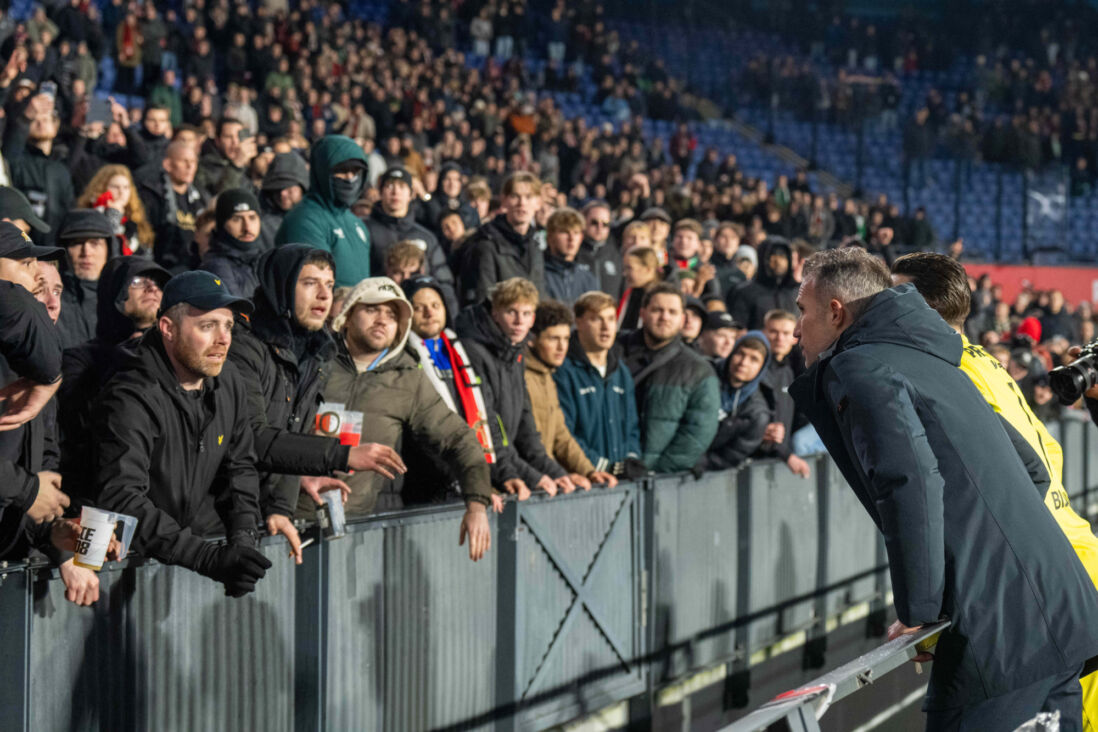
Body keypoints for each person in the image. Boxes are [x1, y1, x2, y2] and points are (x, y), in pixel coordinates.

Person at [789, 247, 1098, 730]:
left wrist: (921, 612)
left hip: (1001, 647)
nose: (794, 329)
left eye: (802, 311)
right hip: (1064, 617)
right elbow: (1033, 471)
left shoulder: (862, 365)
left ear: (835, 312)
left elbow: (907, 482)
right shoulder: (944, 360)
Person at [892, 251, 1098, 728]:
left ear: (916, 306)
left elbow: (983, 497)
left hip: (1048, 579)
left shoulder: (948, 375)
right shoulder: (982, 361)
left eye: (891, 297)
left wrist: (933, 610)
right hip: (1075, 560)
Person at [91, 271, 274, 597]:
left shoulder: (228, 378)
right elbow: (121, 497)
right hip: (121, 567)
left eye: (228, 326)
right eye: (208, 326)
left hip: (188, 558)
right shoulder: (132, 393)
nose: (224, 339)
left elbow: (240, 466)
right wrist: (205, 557)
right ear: (168, 329)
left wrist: (242, 541)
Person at [226, 244, 407, 552]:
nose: (324, 295)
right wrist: (343, 454)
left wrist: (281, 507)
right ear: (280, 286)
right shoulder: (242, 346)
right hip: (218, 515)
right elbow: (252, 438)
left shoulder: (315, 353)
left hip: (255, 515)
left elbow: (291, 431)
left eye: (329, 285)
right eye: (310, 283)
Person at [322, 277, 491, 560]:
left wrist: (476, 504)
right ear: (347, 315)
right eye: (372, 309)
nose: (382, 320)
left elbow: (460, 439)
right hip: (287, 519)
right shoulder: (312, 362)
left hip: (358, 529)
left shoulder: (409, 379)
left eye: (392, 314)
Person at [59, 257, 171, 498]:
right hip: (102, 495)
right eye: (138, 280)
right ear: (114, 291)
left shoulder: (175, 356)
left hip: (168, 497)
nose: (152, 288)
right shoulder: (79, 359)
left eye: (158, 283)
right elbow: (81, 423)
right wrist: (133, 351)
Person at [455, 277, 572, 500]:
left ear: (533, 318)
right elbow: (486, 421)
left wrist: (553, 471)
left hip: (504, 468)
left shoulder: (516, 352)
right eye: (512, 312)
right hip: (483, 472)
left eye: (526, 314)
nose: (519, 321)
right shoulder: (473, 351)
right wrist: (518, 473)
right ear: (495, 313)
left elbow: (525, 423)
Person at [0, 222, 68, 558]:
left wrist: (55, 538)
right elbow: (26, 487)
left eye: (58, 290)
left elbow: (39, 469)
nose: (46, 299)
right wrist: (26, 490)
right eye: (26, 267)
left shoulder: (38, 369)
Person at [401, 274, 500, 505]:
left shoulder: (464, 353)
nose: (429, 313)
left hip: (471, 478)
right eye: (419, 307)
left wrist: (495, 475)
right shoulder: (403, 359)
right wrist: (463, 481)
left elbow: (490, 416)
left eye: (435, 305)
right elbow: (419, 433)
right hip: (429, 487)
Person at [619, 282, 720, 473]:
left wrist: (651, 469)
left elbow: (697, 433)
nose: (664, 317)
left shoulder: (698, 370)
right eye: (657, 310)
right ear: (642, 313)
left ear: (682, 320)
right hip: (608, 473)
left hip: (659, 479)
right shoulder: (615, 351)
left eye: (672, 312)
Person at [524, 300, 617, 490]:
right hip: (530, 485)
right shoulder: (522, 376)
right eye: (553, 339)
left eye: (566, 339)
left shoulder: (547, 375)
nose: (561, 347)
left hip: (546, 481)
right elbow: (525, 443)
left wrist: (589, 471)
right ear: (532, 339)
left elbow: (561, 434)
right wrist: (559, 475)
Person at [275, 134, 372, 288]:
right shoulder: (304, 220)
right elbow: (314, 289)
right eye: (341, 170)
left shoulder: (357, 223)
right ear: (322, 171)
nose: (349, 178)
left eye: (355, 171)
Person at [366, 167, 458, 312]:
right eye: (390, 186)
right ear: (381, 192)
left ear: (411, 194)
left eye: (402, 186)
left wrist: (449, 322)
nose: (395, 192)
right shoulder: (364, 230)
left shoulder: (426, 237)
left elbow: (444, 283)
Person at [456, 172, 544, 307]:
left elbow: (541, 295)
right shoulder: (486, 243)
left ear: (538, 202)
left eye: (528, 197)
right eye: (515, 196)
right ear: (504, 200)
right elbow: (484, 299)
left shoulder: (536, 246)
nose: (522, 203)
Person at [4, 93, 74, 245]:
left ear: (56, 126)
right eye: (35, 120)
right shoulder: (18, 160)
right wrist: (25, 118)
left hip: (54, 247)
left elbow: (69, 209)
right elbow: (10, 155)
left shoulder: (61, 169)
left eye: (45, 119)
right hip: (21, 244)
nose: (40, 123)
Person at [701, 332, 772, 470]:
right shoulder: (703, 372)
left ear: (762, 368)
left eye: (754, 359)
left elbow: (731, 455)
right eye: (740, 354)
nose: (743, 363)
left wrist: (700, 461)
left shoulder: (757, 412)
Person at [137, 139, 209, 273]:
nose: (190, 166)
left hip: (194, 267)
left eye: (193, 162)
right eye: (184, 161)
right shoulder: (152, 196)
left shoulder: (201, 197)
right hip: (162, 267)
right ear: (168, 164)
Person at [757, 309, 811, 478]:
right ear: (763, 333)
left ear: (795, 338)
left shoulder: (788, 371)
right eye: (773, 331)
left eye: (786, 333)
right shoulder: (756, 369)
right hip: (759, 459)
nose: (779, 338)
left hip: (780, 459)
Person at [56, 209, 114, 349]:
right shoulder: (49, 303)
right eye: (77, 243)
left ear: (109, 249)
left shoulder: (124, 301)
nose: (86, 252)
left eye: (95, 243)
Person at [199, 189, 263, 297]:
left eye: (252, 218)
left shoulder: (264, 260)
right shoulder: (215, 267)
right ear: (221, 224)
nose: (247, 227)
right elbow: (239, 311)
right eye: (237, 219)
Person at [728, 237, 798, 330]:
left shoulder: (798, 291)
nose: (778, 261)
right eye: (772, 256)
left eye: (783, 256)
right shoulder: (745, 292)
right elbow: (738, 330)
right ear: (763, 259)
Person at [543, 207, 599, 306]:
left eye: (576, 233)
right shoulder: (537, 273)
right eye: (564, 232)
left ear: (581, 238)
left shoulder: (588, 278)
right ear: (550, 236)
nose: (571, 238)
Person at [256, 152, 308, 254]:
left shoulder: (314, 219)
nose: (282, 193)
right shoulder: (260, 223)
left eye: (289, 188)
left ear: (303, 188)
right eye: (277, 188)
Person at [194, 117, 256, 196]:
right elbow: (221, 199)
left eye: (238, 137)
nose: (235, 142)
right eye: (228, 137)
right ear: (217, 141)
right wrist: (236, 165)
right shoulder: (204, 167)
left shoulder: (247, 166)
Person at [576, 199, 622, 297]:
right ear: (583, 222)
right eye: (594, 222)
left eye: (605, 224)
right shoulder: (573, 252)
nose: (599, 228)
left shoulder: (616, 255)